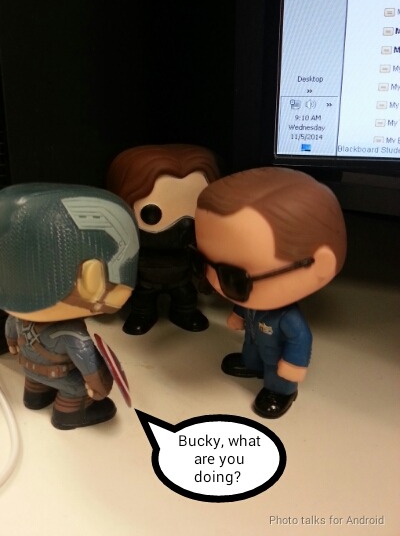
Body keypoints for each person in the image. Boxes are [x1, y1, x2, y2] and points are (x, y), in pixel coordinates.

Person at [0, 183, 139, 429]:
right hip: (60, 376)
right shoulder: (72, 333)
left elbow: (11, 336)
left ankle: (35, 395)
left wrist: (12, 344)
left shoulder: (18, 318)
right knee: (77, 387)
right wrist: (98, 387)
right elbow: (89, 365)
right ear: (91, 278)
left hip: (29, 370)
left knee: (38, 379)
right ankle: (68, 413)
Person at [194, 167, 346, 418]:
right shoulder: (252, 300)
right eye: (202, 263)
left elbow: (301, 338)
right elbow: (246, 304)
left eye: (235, 277)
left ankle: (282, 391)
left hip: (277, 355)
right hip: (254, 339)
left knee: (277, 373)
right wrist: (239, 314)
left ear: (318, 266)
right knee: (251, 351)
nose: (215, 282)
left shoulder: (287, 317)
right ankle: (252, 365)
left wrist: (294, 365)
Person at [107, 144, 220, 335]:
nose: (184, 224)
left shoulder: (190, 245)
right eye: (152, 213)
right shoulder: (133, 246)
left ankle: (183, 313)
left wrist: (205, 275)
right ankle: (143, 315)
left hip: (181, 278)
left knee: (186, 298)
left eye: (197, 211)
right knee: (142, 301)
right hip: (146, 280)